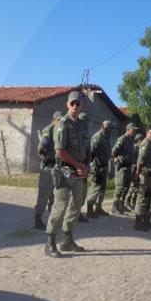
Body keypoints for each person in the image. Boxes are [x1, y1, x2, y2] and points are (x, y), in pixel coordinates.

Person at [45, 91, 89, 257]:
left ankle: (67, 240)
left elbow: (86, 148)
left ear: (82, 105)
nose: (75, 106)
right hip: (64, 171)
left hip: (79, 172)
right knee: (60, 205)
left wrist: (85, 166)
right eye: (73, 103)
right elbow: (59, 151)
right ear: (67, 105)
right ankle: (50, 242)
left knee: (76, 205)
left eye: (78, 104)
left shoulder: (81, 125)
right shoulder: (62, 124)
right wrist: (77, 165)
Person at [34, 110, 62, 230]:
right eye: (58, 120)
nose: (60, 122)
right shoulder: (48, 130)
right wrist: (43, 153)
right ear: (53, 119)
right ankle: (38, 219)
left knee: (54, 195)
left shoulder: (60, 130)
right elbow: (41, 147)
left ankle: (52, 218)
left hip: (57, 167)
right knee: (44, 193)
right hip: (48, 166)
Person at [86, 120, 113, 219]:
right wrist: (91, 166)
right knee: (95, 188)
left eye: (110, 128)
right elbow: (91, 152)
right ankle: (89, 209)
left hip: (104, 166)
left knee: (102, 188)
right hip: (97, 167)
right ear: (103, 127)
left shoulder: (106, 137)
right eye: (108, 128)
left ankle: (98, 208)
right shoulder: (97, 137)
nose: (110, 130)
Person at [134, 126, 151, 231]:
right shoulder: (145, 144)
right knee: (142, 198)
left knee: (148, 198)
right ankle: (138, 222)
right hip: (145, 175)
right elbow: (140, 161)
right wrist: (138, 174)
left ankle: (146, 220)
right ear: (147, 133)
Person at [111, 122, 139, 214]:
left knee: (126, 187)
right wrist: (117, 159)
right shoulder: (122, 139)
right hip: (122, 167)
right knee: (120, 187)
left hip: (129, 167)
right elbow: (114, 151)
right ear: (128, 130)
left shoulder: (131, 140)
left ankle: (121, 205)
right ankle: (115, 206)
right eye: (133, 130)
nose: (135, 131)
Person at [77, 112, 91, 223]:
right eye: (84, 121)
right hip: (75, 167)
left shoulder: (86, 134)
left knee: (83, 192)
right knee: (76, 192)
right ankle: (74, 213)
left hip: (84, 166)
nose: (86, 124)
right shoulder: (74, 133)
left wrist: (88, 165)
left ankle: (78, 212)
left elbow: (88, 151)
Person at [125, 133, 144, 212]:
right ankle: (127, 202)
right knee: (133, 186)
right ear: (139, 140)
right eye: (141, 139)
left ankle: (133, 202)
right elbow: (135, 159)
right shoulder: (135, 147)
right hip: (134, 168)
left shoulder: (138, 147)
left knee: (136, 186)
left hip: (137, 168)